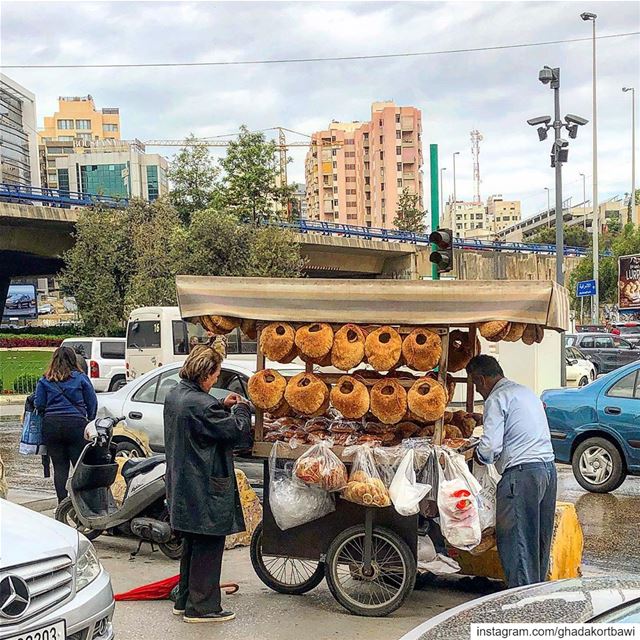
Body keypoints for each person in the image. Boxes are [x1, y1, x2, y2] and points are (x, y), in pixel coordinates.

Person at [164, 343, 251, 624]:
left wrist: (219, 404)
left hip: (183, 481)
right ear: (205, 374)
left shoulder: (177, 395)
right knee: (208, 545)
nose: (216, 380)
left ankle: (185, 598)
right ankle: (203, 607)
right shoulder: (201, 405)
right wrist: (240, 410)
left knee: (192, 542)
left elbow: (204, 417)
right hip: (204, 484)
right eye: (215, 375)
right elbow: (234, 431)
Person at [466, 354, 557, 588]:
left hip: (521, 476)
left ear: (481, 379)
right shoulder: (524, 392)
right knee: (537, 541)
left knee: (517, 542)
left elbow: (490, 447)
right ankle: (537, 594)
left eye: (476, 385)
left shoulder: (496, 398)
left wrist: (477, 454)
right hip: (546, 470)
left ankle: (522, 604)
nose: (478, 392)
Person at [34, 346, 98, 502]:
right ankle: (80, 502)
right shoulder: (81, 378)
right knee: (78, 466)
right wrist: (89, 418)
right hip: (76, 425)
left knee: (60, 467)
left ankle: (62, 502)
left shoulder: (45, 380)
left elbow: (39, 404)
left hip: (52, 426)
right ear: (73, 360)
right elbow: (92, 402)